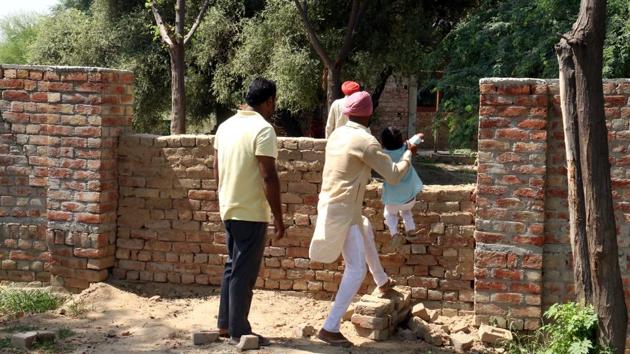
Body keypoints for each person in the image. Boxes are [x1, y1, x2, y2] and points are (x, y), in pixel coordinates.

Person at [309, 91, 418, 347]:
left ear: (347, 112)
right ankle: (330, 327)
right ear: (370, 113)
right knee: (356, 269)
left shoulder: (338, 134)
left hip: (335, 204)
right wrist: (408, 153)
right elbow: (392, 175)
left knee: (366, 227)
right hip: (344, 209)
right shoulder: (365, 141)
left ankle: (381, 280)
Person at [213, 78, 285, 346]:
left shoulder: (226, 126)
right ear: (268, 102)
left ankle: (224, 324)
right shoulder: (263, 130)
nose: (273, 107)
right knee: (244, 272)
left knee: (233, 266)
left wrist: (222, 196)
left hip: (229, 206)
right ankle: (239, 331)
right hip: (251, 211)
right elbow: (269, 177)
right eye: (273, 103)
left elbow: (216, 166)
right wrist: (278, 218)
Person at [381, 127, 424, 248]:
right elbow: (418, 137)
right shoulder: (406, 148)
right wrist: (418, 137)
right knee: (406, 211)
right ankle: (410, 230)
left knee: (389, 214)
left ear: (383, 142)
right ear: (400, 140)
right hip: (410, 198)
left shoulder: (382, 154)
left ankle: (394, 234)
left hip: (392, 200)